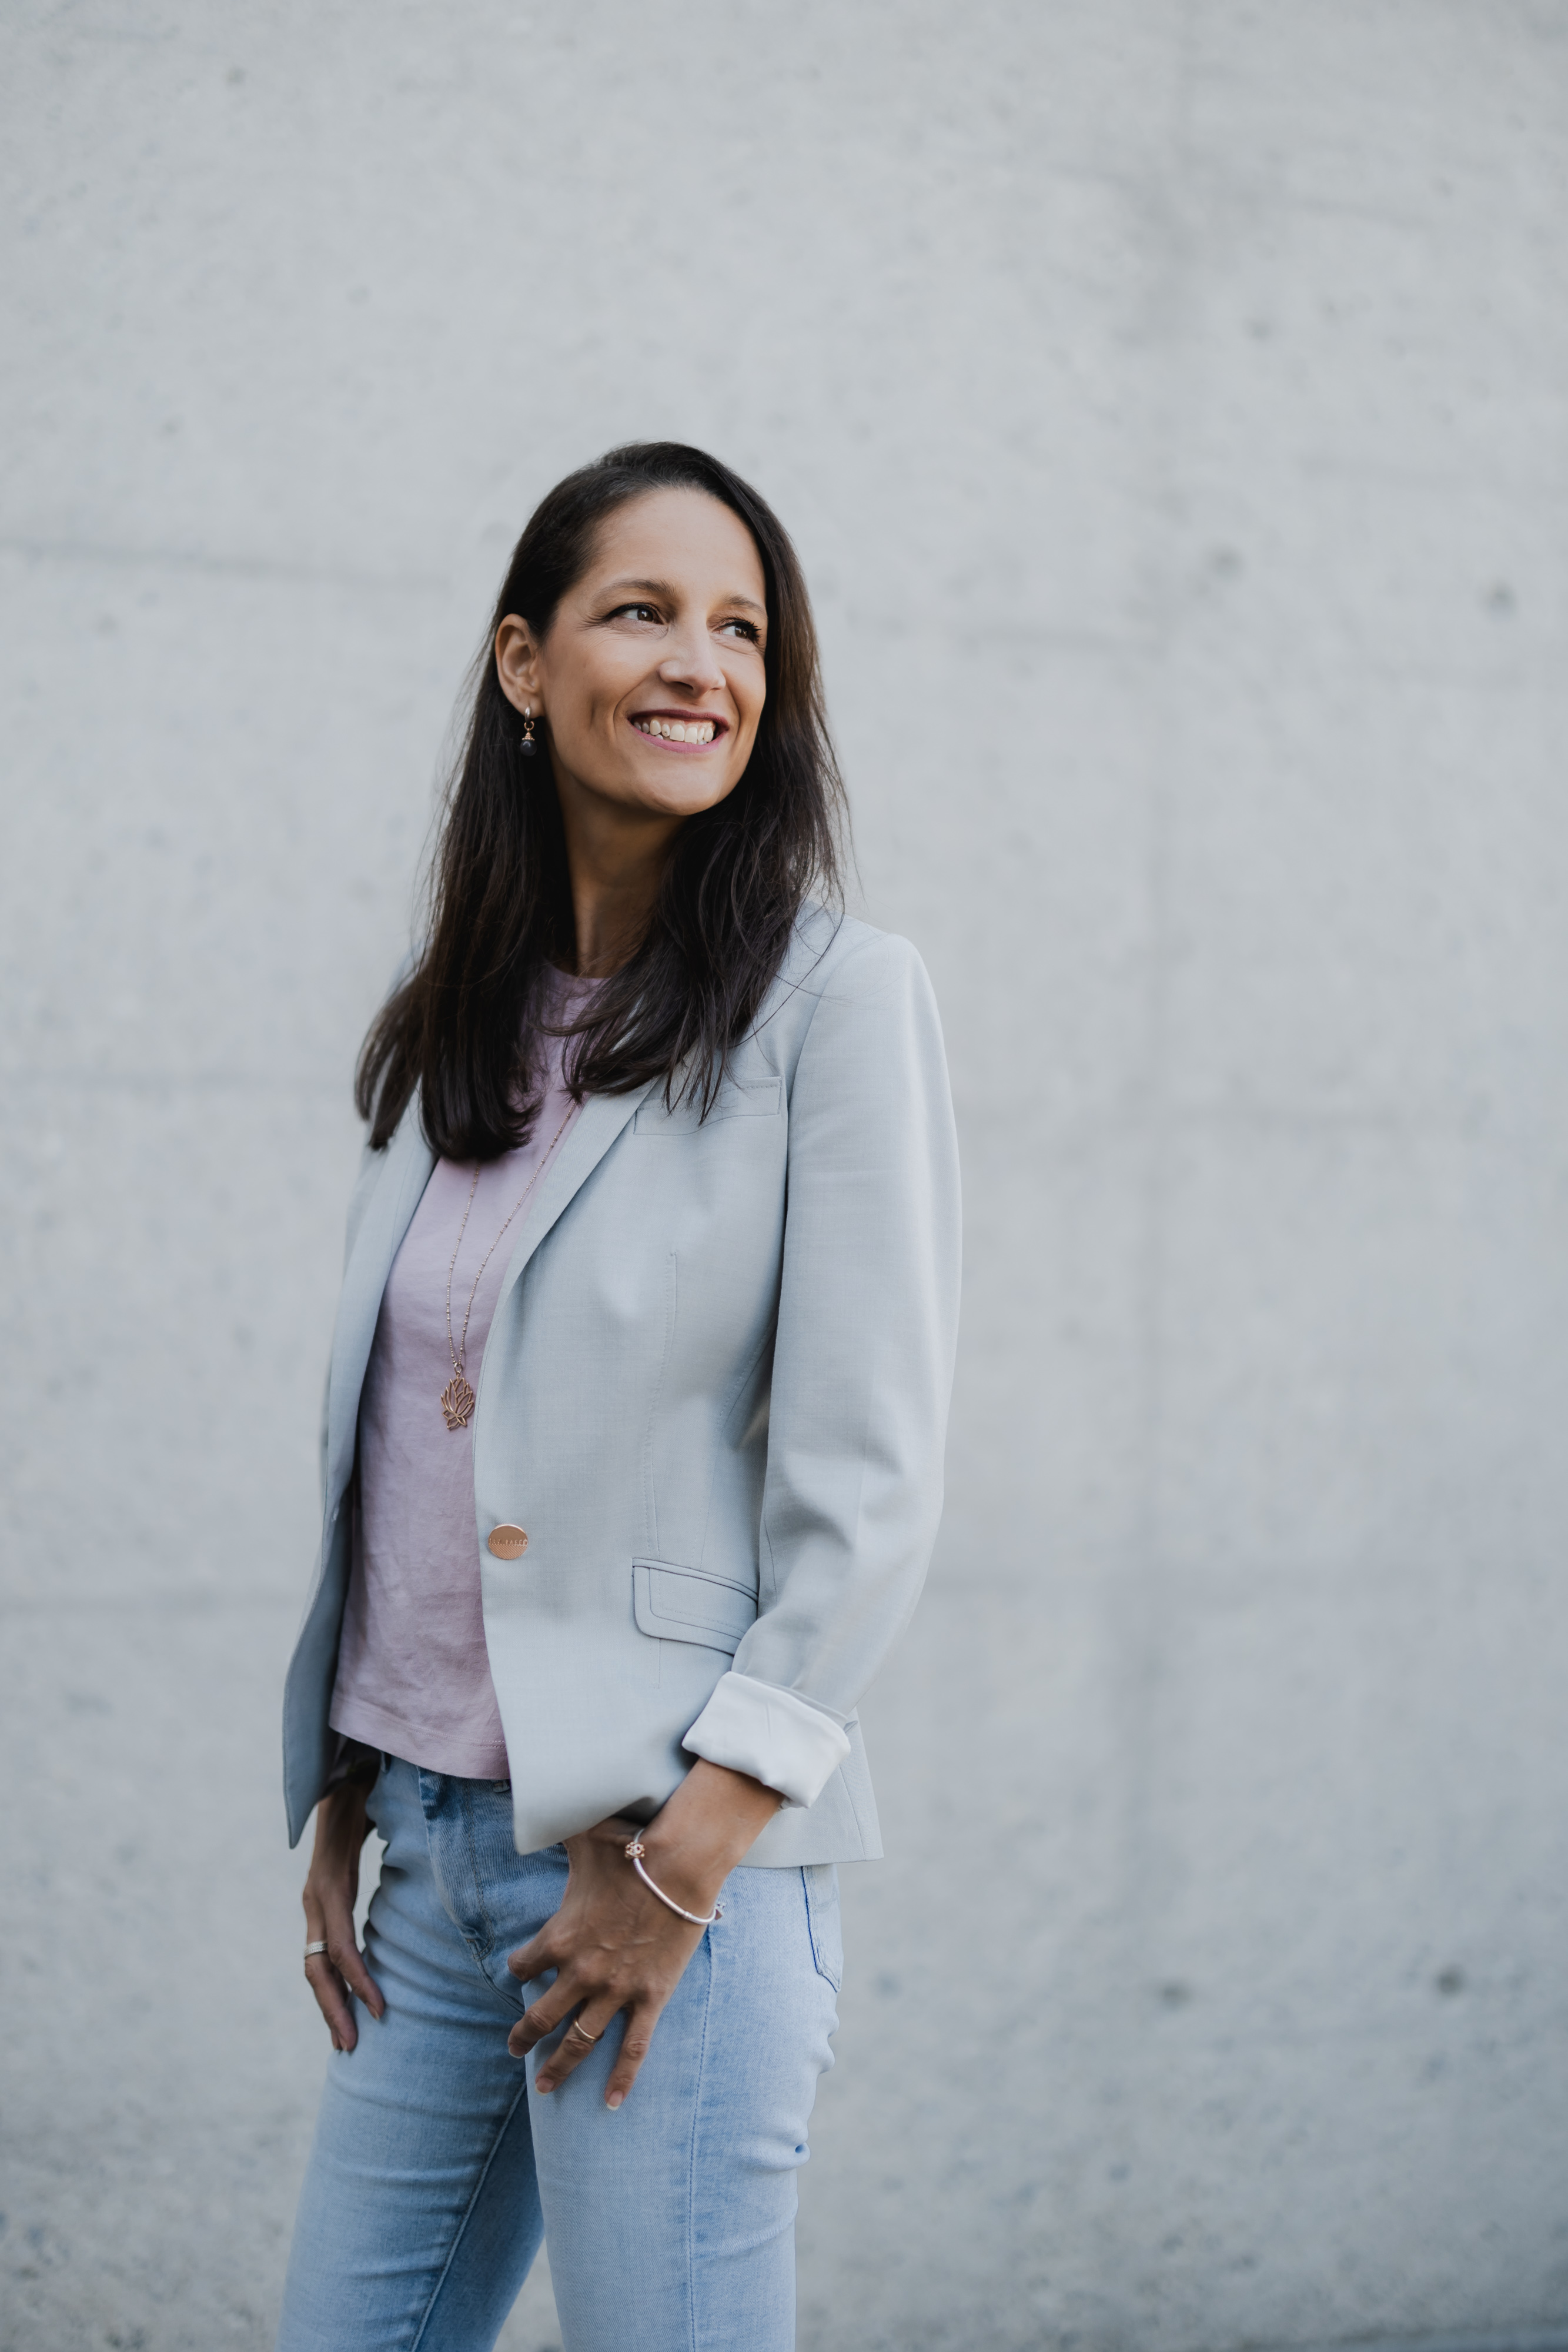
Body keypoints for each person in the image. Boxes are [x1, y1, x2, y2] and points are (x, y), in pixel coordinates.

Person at [276, 440, 961, 2352]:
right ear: (522, 661)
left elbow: (870, 1486)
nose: (699, 664)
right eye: (640, 610)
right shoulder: (451, 1021)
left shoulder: (836, 1005)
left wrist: (683, 1863)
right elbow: (412, 1446)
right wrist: (348, 1772)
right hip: (427, 1851)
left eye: (740, 627)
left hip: (668, 1866)